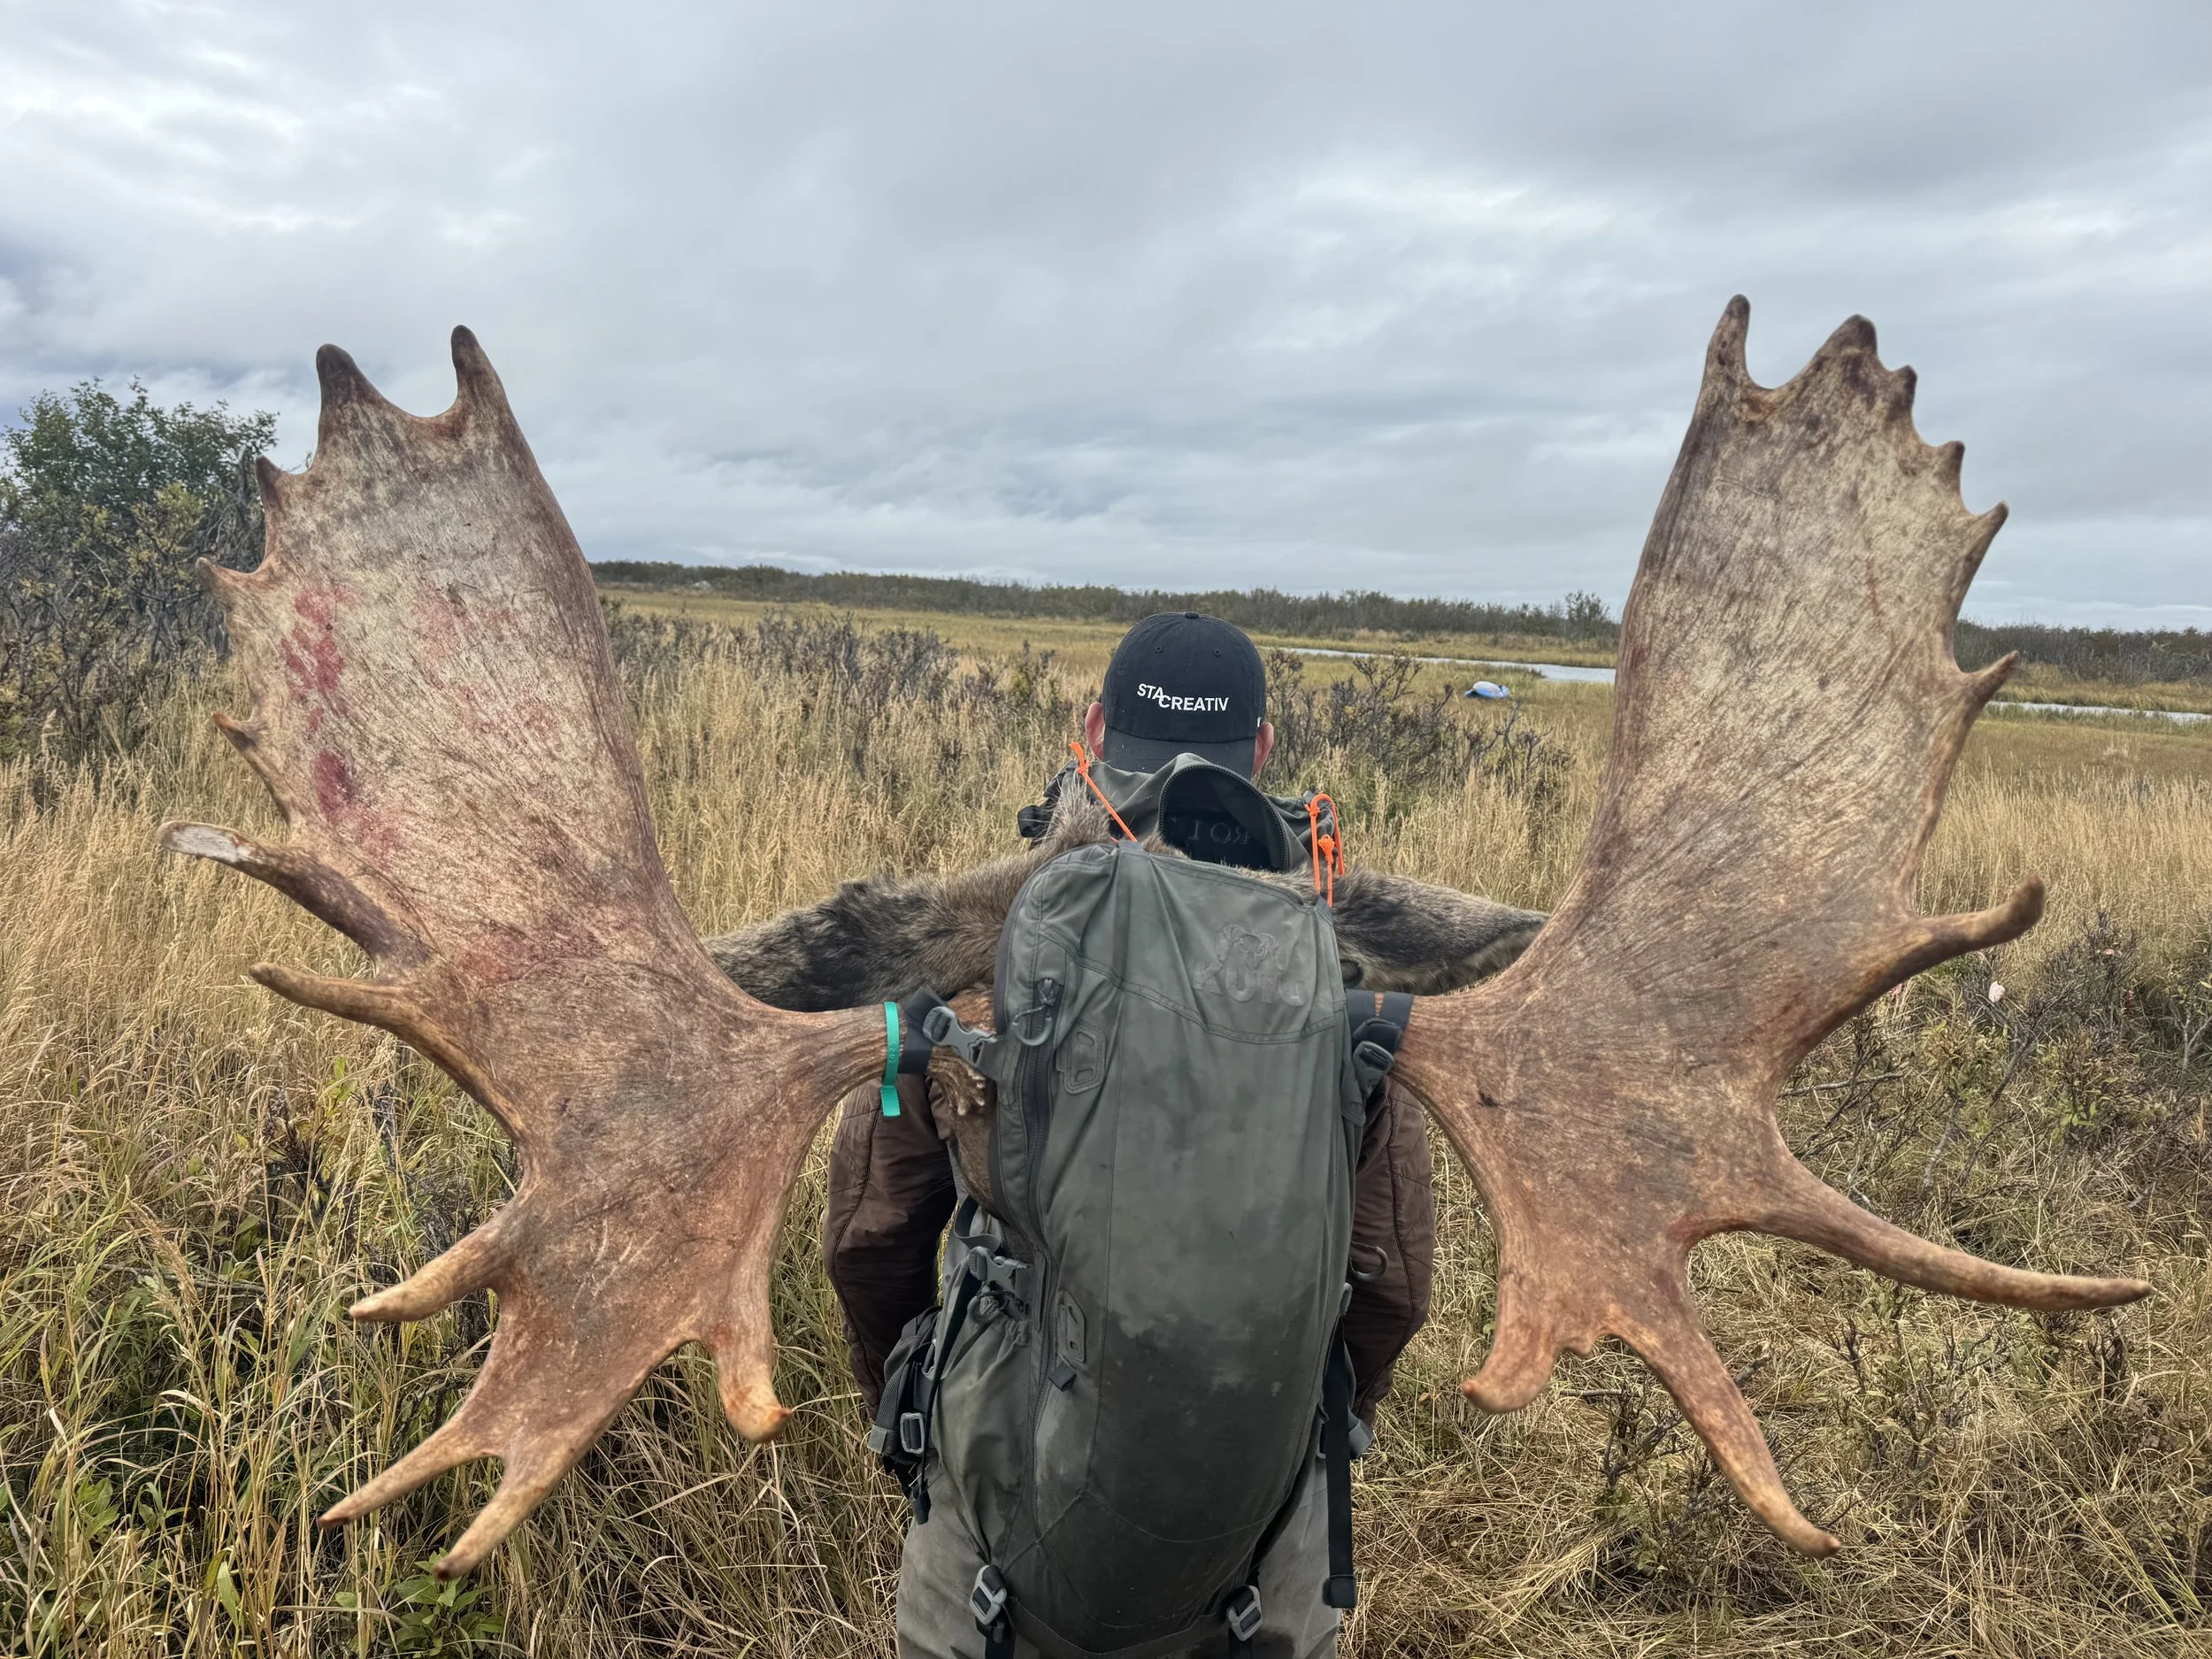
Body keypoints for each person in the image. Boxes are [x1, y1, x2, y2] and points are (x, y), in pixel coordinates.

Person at [822, 613, 1438, 1658]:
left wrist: (909, 1412)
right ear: (1265, 750)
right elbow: (1391, 1277)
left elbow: (872, 1237)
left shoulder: (975, 960)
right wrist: (1316, 1429)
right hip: (1259, 1563)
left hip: (995, 1561)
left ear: (1094, 730)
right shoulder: (1341, 969)